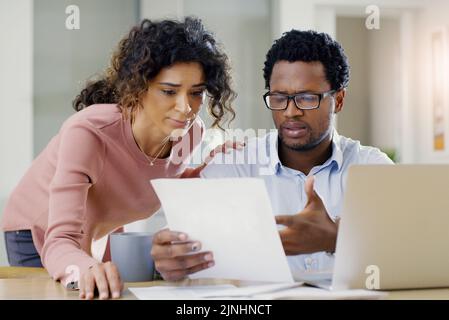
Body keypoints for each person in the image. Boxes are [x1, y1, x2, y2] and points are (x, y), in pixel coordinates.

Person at [0, 17, 241, 299]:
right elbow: (60, 241)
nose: (185, 107)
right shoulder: (89, 132)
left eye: (196, 93)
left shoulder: (190, 133)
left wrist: (211, 170)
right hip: (37, 230)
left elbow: (156, 180)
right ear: (139, 87)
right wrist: (85, 267)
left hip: (101, 230)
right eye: (169, 91)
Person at [151, 29, 394, 281]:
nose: (290, 112)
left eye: (307, 98)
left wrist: (336, 238)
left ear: (339, 99)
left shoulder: (371, 169)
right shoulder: (235, 166)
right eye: (279, 98)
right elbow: (181, 244)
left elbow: (409, 249)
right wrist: (170, 258)